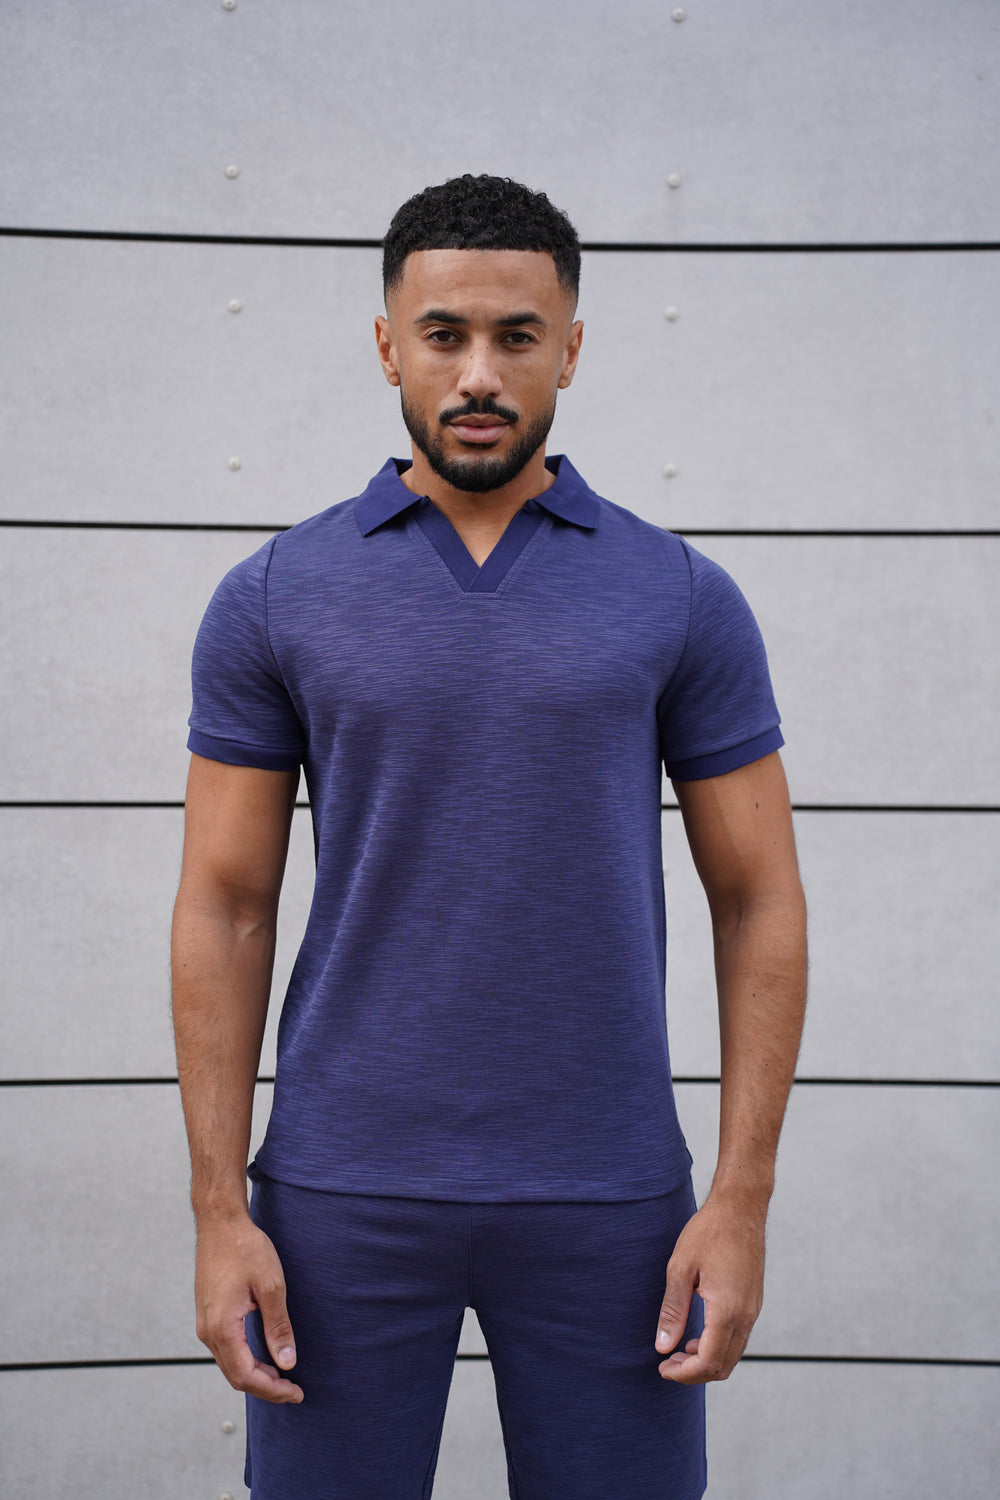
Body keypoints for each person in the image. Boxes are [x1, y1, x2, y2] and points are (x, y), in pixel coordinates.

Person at [171, 173, 807, 1500]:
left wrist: (740, 1202)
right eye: (444, 334)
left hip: (611, 1197)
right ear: (387, 345)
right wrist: (219, 1211)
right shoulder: (276, 594)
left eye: (517, 336)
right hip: (341, 1195)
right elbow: (226, 906)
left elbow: (760, 902)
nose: (478, 373)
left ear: (569, 349)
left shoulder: (681, 596)